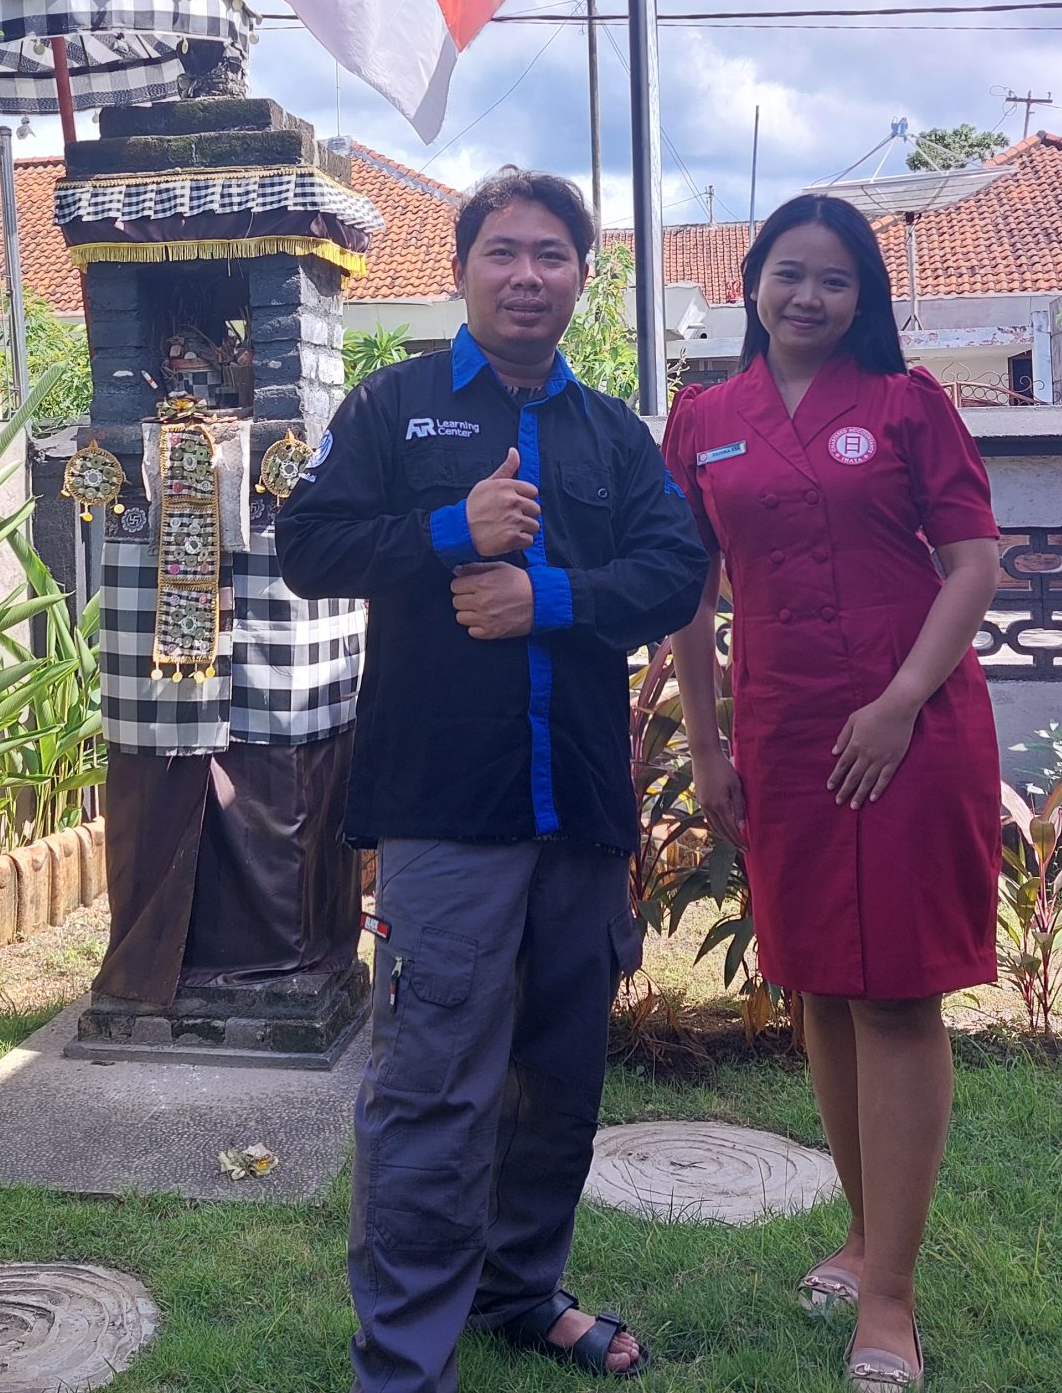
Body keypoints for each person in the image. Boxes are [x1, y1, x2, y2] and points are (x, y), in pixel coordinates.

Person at [277, 168, 708, 1392]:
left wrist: (551, 599)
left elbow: (673, 570)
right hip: (442, 808)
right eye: (503, 253)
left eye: (552, 255)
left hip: (575, 803)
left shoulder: (612, 434)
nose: (527, 276)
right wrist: (445, 533)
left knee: (556, 1083)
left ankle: (519, 1291)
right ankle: (406, 1360)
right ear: (461, 269)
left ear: (582, 272)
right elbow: (307, 548)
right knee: (431, 1088)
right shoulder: (391, 407)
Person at [662, 193, 1003, 1393]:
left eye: (834, 281)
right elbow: (688, 597)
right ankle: (860, 1239)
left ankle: (893, 1302)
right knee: (817, 984)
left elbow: (972, 564)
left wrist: (902, 698)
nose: (807, 299)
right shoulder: (703, 420)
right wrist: (706, 748)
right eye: (787, 275)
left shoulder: (912, 406)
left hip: (912, 728)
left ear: (865, 299)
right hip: (782, 734)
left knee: (899, 995)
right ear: (750, 283)